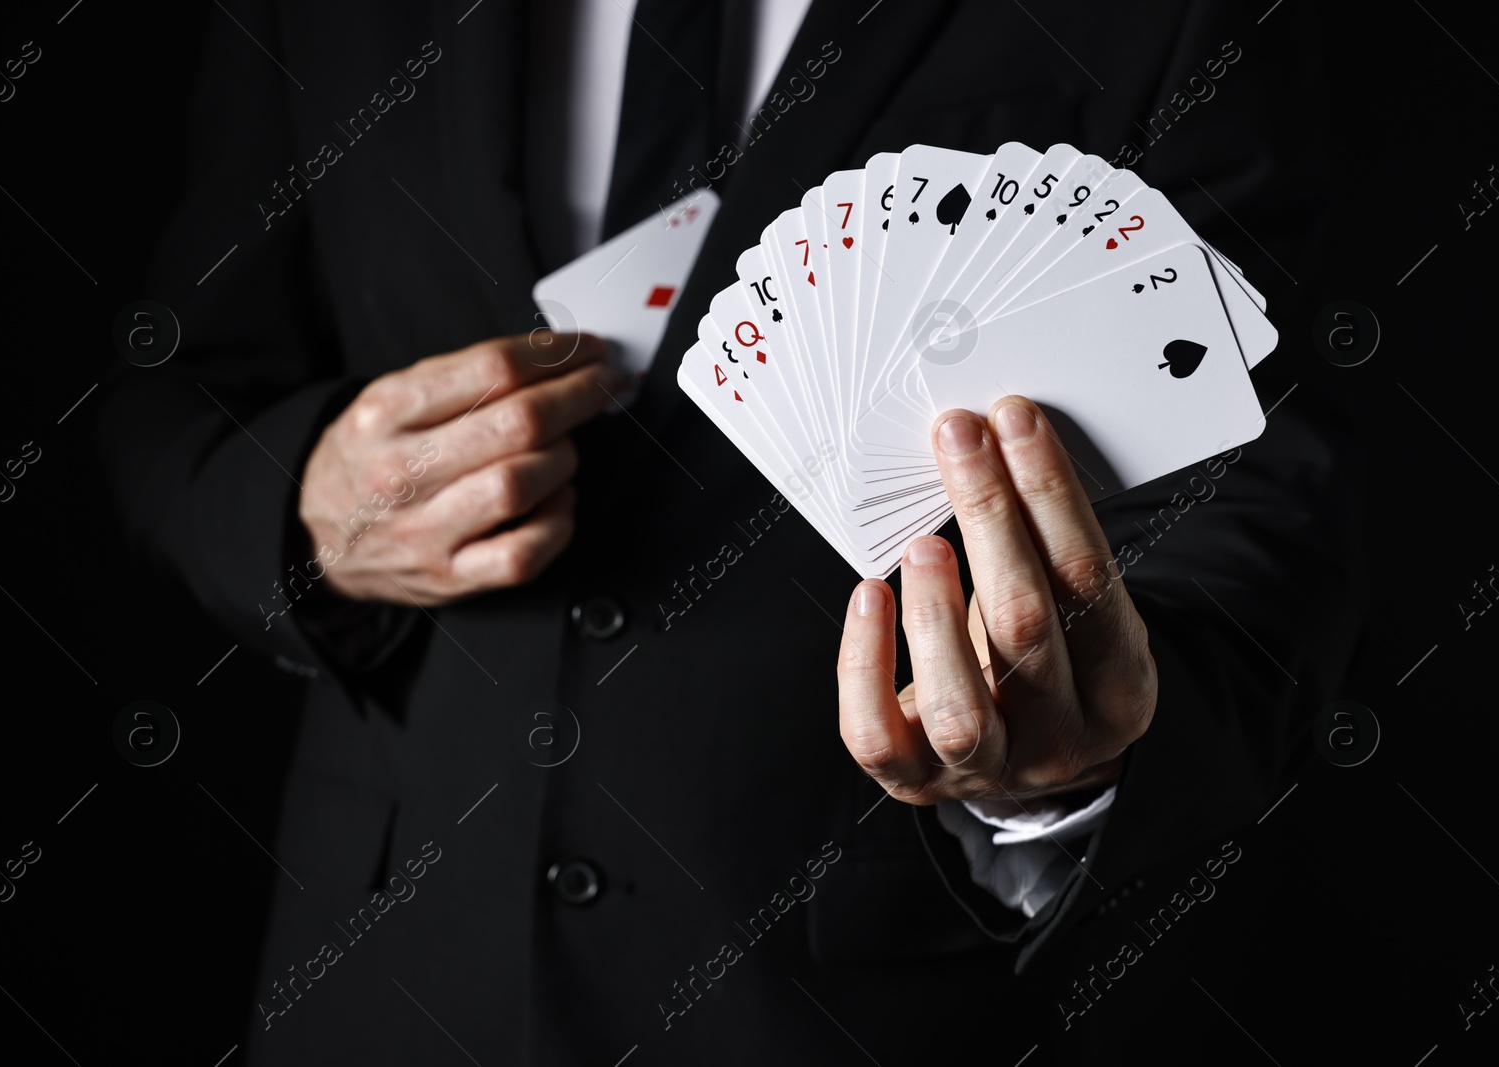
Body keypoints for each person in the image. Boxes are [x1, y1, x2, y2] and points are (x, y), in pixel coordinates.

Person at [96, 0, 1364, 1061]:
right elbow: (174, 391)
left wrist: (1076, 748)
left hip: (851, 1003)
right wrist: (307, 506)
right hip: (385, 978)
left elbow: (1261, 474)